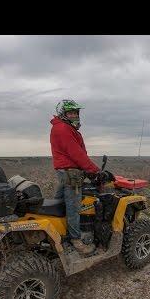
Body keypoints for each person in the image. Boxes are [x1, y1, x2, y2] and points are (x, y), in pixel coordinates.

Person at [49, 99, 101, 255]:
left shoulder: (64, 128)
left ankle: (59, 233)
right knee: (74, 208)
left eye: (75, 112)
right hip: (70, 174)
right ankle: (76, 240)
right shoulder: (64, 129)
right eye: (70, 112)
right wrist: (95, 171)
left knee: (60, 202)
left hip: (68, 172)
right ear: (63, 114)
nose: (74, 115)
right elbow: (76, 154)